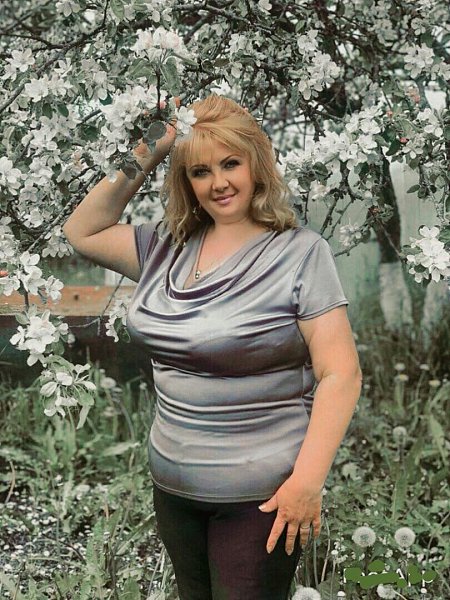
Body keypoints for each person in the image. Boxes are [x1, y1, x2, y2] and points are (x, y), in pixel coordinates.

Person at [62, 93, 362, 600]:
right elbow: (82, 230)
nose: (218, 182)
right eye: (201, 171)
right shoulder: (164, 246)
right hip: (174, 492)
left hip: (262, 499)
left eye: (230, 164)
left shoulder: (300, 254)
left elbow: (341, 373)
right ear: (187, 182)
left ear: (256, 165)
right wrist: (152, 146)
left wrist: (307, 483)